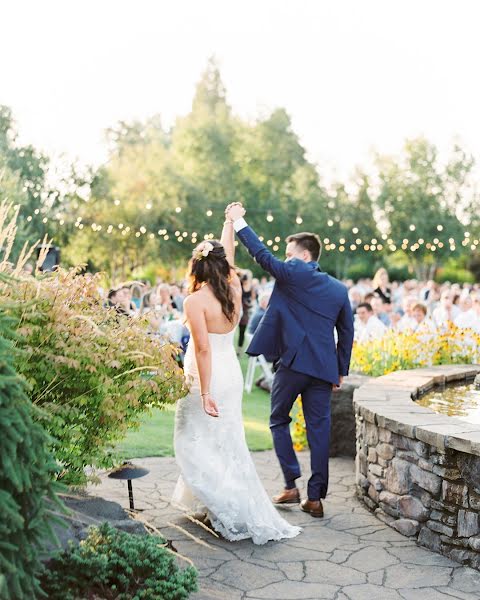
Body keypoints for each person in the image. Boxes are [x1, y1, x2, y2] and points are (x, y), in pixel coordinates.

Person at [172, 207, 301, 545]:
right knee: (226, 442)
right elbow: (228, 256)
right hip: (229, 373)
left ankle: (223, 505)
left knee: (191, 440)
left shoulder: (194, 301)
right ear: (222, 266)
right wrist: (229, 224)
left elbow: (201, 350)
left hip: (208, 377)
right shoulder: (232, 289)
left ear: (196, 266)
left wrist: (203, 393)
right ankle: (218, 504)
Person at [228, 202, 354, 519]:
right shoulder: (339, 289)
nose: (284, 260)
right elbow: (347, 333)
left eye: (289, 253)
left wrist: (240, 221)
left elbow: (262, 255)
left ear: (304, 256)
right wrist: (339, 371)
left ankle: (290, 484)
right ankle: (315, 498)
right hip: (324, 370)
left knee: (277, 419)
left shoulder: (295, 271)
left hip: (294, 364)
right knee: (319, 433)